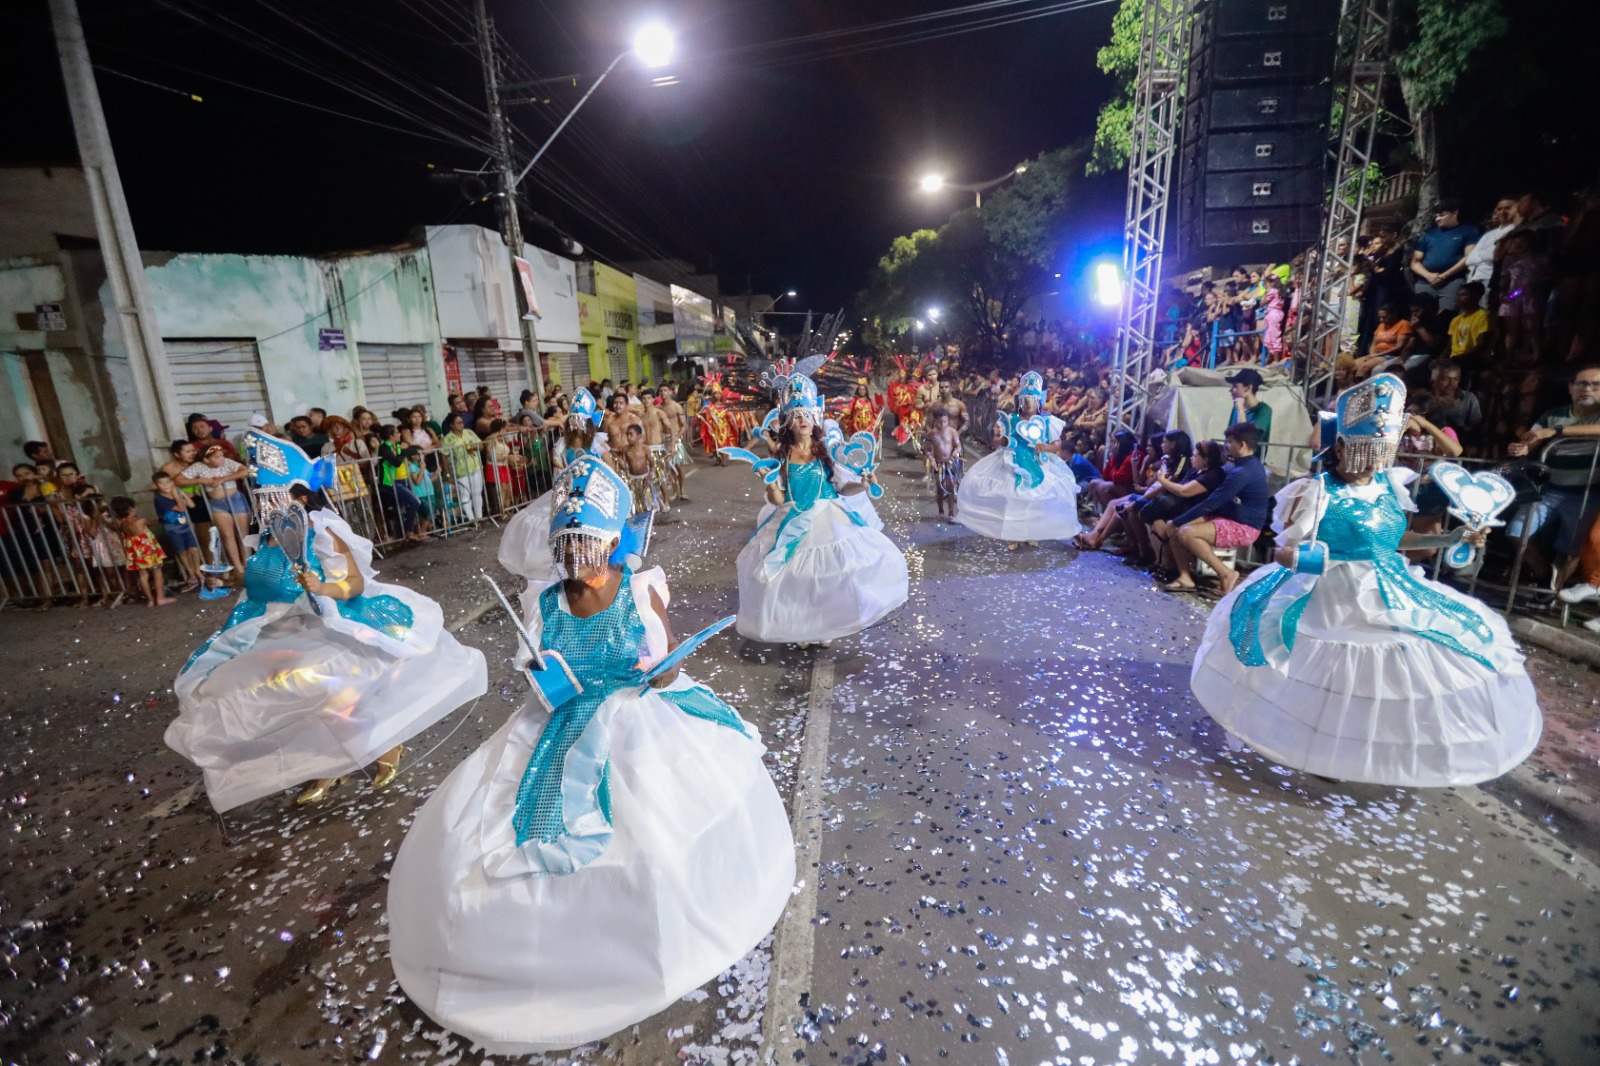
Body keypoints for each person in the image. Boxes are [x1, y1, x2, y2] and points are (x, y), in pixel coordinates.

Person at [387, 457, 793, 1054]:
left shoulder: (640, 585)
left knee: (652, 848)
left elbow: (669, 660)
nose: (577, 557)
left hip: (638, 721)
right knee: (500, 836)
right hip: (561, 722)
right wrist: (542, 679)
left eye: (587, 544)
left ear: (609, 542)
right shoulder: (544, 603)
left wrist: (659, 671)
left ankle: (647, 947)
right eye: (567, 545)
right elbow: (538, 670)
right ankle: (542, 960)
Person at [1189, 373, 1542, 787]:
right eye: (1367, 451)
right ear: (1341, 447)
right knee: (1329, 676)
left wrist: (1451, 537)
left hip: (1388, 585)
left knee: (1404, 668)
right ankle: (1315, 750)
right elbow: (1282, 548)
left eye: (1383, 452)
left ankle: (1362, 755)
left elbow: (1392, 541)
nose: (1376, 462)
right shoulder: (1314, 492)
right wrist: (1309, 558)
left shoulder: (1389, 487)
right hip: (1329, 593)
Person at [167, 433, 489, 811]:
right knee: (243, 692)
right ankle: (333, 762)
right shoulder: (270, 534)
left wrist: (321, 585)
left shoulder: (322, 531)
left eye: (275, 498)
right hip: (274, 631)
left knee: (326, 692)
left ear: (301, 498)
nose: (268, 506)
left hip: (325, 629)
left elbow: (352, 583)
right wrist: (226, 578)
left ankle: (376, 750)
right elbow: (263, 579)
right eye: (263, 499)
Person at [735, 375, 908, 645]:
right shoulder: (781, 455)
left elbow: (842, 486)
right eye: (796, 416)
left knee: (834, 575)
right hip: (794, 520)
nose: (802, 420)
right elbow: (779, 500)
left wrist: (862, 485)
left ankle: (826, 627)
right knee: (800, 579)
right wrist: (768, 484)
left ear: (815, 418)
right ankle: (804, 628)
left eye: (807, 415)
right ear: (788, 422)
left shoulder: (823, 451)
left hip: (830, 519)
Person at [956, 372, 1081, 549]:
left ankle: (1032, 532)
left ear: (1038, 401)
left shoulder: (1046, 421)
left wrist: (1047, 447)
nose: (1029, 403)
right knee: (1015, 497)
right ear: (1021, 400)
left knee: (1036, 498)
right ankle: (1015, 534)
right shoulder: (1011, 419)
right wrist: (1002, 440)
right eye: (1026, 399)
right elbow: (999, 440)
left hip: (1038, 461)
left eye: (1033, 399)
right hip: (1014, 459)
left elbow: (1057, 442)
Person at [1506, 366, 1600, 591]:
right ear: (1570, 388)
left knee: (1571, 548)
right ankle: (1546, 576)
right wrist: (1521, 448)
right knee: (1516, 532)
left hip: (1586, 493)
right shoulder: (1552, 415)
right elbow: (1532, 439)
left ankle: (1550, 593)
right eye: (1582, 383)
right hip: (1549, 489)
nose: (1587, 389)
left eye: (1596, 385)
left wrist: (1556, 432)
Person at [1157, 422, 1270, 596]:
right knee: (1177, 527)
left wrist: (1177, 521)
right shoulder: (1242, 465)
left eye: (1229, 442)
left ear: (1242, 445)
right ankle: (1185, 576)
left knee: (1185, 531)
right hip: (1229, 516)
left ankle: (1226, 573)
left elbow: (1211, 503)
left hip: (1245, 526)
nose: (1226, 446)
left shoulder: (1244, 471)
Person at [181, 444, 251, 576]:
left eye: (222, 456)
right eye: (217, 457)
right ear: (206, 460)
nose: (221, 458)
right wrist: (201, 480)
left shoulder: (228, 463)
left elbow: (246, 471)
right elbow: (178, 480)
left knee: (243, 534)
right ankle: (238, 567)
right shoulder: (199, 467)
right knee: (227, 535)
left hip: (235, 498)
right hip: (217, 503)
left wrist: (223, 479)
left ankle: (248, 564)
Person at [1410, 198, 1480, 305]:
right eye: (1436, 216)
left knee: (1446, 313)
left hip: (1452, 281)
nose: (1438, 219)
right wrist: (1428, 275)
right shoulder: (1428, 234)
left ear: (1455, 213)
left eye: (1442, 215)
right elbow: (1415, 262)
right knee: (1421, 313)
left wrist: (1445, 275)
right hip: (1425, 281)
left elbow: (1468, 257)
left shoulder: (1468, 231)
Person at [110, 496, 172, 606]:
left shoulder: (121, 524)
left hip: (135, 552)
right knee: (157, 572)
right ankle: (160, 597)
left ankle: (150, 600)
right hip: (147, 550)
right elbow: (153, 522)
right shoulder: (140, 521)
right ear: (130, 509)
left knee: (143, 575)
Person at [153, 471, 203, 592]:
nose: (166, 485)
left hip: (185, 526)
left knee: (194, 549)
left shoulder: (175, 492)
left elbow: (191, 505)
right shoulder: (159, 499)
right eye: (162, 483)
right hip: (172, 529)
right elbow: (181, 508)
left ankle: (197, 570)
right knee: (182, 551)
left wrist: (181, 494)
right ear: (156, 485)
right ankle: (191, 574)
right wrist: (176, 495)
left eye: (168, 482)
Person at [438, 412, 485, 523]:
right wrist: (448, 474)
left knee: (477, 492)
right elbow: (443, 457)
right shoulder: (447, 439)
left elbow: (482, 445)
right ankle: (471, 519)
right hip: (460, 470)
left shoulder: (469, 433)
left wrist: (475, 447)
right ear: (451, 425)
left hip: (475, 466)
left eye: (462, 422)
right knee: (465, 494)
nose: (461, 424)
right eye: (458, 423)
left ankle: (479, 517)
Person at [617, 421, 667, 515]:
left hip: (644, 479)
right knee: (636, 503)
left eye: (631, 434)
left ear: (639, 436)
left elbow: (652, 465)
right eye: (627, 434)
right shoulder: (625, 449)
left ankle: (649, 520)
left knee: (648, 503)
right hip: (633, 480)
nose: (628, 437)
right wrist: (621, 464)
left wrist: (649, 477)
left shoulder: (645, 448)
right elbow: (623, 467)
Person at [924, 406, 963, 523]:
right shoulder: (931, 434)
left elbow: (958, 446)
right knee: (940, 488)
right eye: (940, 422)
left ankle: (951, 512)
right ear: (935, 421)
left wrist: (955, 453)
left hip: (950, 463)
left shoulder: (952, 431)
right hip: (938, 464)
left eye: (945, 421)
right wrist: (932, 459)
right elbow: (926, 450)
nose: (943, 424)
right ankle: (941, 511)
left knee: (950, 487)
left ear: (948, 421)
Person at [1226, 368, 1273, 456]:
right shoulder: (1236, 408)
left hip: (1250, 461)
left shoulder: (1264, 410)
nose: (1231, 390)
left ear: (1248, 388)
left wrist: (1240, 410)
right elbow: (1229, 436)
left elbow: (1245, 439)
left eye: (1235, 386)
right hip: (1232, 458)